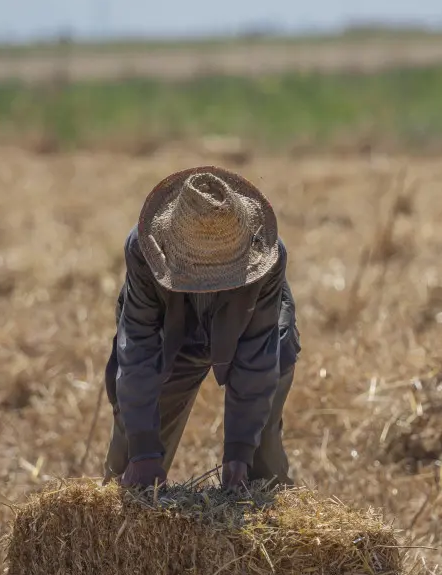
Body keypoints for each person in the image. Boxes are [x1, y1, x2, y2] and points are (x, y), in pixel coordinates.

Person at [101, 166, 301, 490]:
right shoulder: (145, 251)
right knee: (130, 469)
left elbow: (257, 359)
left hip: (252, 331)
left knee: (261, 467)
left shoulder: (266, 258)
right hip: (171, 336)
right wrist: (143, 450)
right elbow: (138, 347)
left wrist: (239, 454)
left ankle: (262, 479)